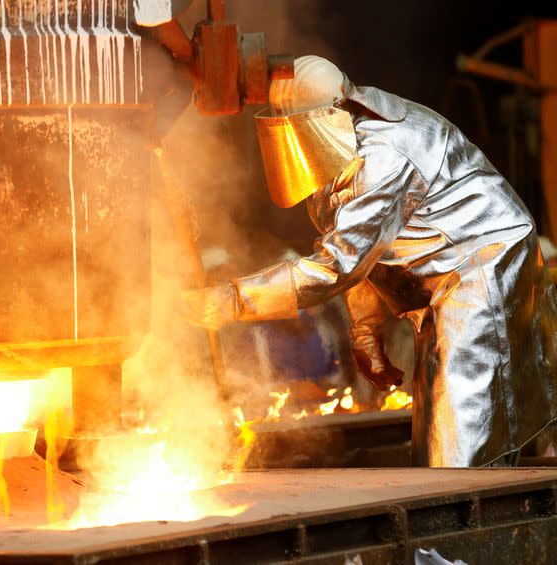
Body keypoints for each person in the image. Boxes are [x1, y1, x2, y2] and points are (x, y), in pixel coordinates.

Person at [182, 55, 557, 467]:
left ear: (328, 115)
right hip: (447, 277)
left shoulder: (382, 157)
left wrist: (235, 299)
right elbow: (362, 256)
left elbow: (337, 267)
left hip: (484, 266)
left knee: (458, 449)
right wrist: (365, 333)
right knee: (436, 431)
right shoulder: (340, 158)